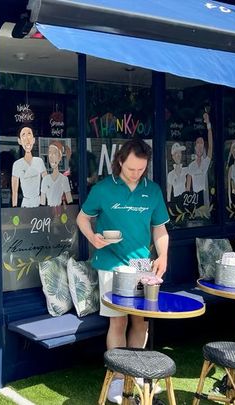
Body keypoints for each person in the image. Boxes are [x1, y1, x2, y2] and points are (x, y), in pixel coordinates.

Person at [75, 139, 169, 405]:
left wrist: (163, 255)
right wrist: (92, 237)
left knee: (141, 320)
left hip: (142, 267)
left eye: (141, 169)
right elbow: (82, 217)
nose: (136, 174)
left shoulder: (153, 191)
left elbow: (159, 228)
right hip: (110, 264)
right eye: (131, 169)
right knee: (118, 321)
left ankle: (135, 373)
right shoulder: (103, 189)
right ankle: (117, 378)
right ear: (119, 162)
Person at [11, 126, 47, 207]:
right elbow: (14, 190)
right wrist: (14, 208)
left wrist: (43, 203)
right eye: (23, 135)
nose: (27, 139)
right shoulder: (17, 164)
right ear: (19, 141)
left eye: (29, 134)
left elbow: (46, 182)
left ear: (34, 140)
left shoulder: (39, 161)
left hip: (38, 202)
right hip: (25, 203)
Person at [187, 112, 213, 208]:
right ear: (195, 146)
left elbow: (210, 146)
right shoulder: (191, 165)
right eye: (198, 142)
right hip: (194, 197)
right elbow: (187, 187)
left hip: (204, 196)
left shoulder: (206, 162)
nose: (200, 145)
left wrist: (208, 125)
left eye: (202, 142)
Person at [40, 140, 72, 207]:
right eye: (50, 153)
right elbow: (42, 202)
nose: (51, 156)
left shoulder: (64, 179)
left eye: (54, 153)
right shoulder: (45, 179)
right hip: (48, 212)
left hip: (60, 211)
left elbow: (69, 200)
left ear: (60, 157)